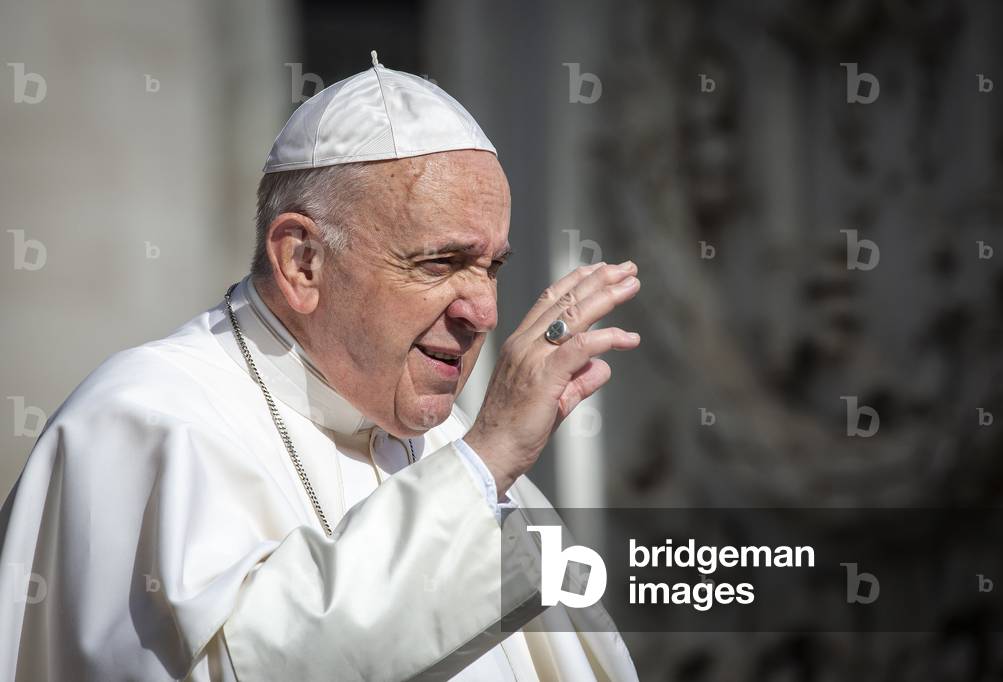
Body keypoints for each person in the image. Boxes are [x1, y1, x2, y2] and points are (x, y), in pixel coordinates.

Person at [0, 53, 642, 681]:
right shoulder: (141, 423)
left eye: (492, 267)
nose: (483, 311)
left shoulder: (455, 448)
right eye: (440, 264)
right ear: (302, 261)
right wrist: (491, 452)